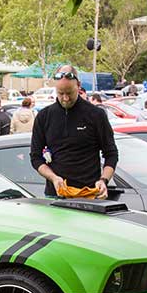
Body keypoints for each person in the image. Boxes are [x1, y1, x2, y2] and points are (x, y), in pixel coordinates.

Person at [30, 65, 118, 199]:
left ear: (79, 86)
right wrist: (53, 178)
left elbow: (111, 154)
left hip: (89, 193)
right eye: (60, 93)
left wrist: (103, 180)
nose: (65, 98)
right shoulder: (44, 116)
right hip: (55, 194)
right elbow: (35, 157)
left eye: (69, 92)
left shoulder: (96, 115)